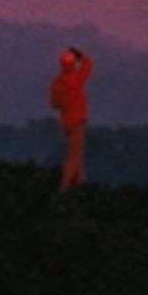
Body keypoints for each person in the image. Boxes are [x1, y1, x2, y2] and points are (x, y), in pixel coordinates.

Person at [49, 43, 93, 189]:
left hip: (66, 121)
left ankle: (81, 185)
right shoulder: (75, 79)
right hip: (77, 121)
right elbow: (89, 64)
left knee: (78, 155)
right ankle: (65, 187)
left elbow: (54, 104)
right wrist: (80, 55)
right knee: (75, 156)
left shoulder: (56, 83)